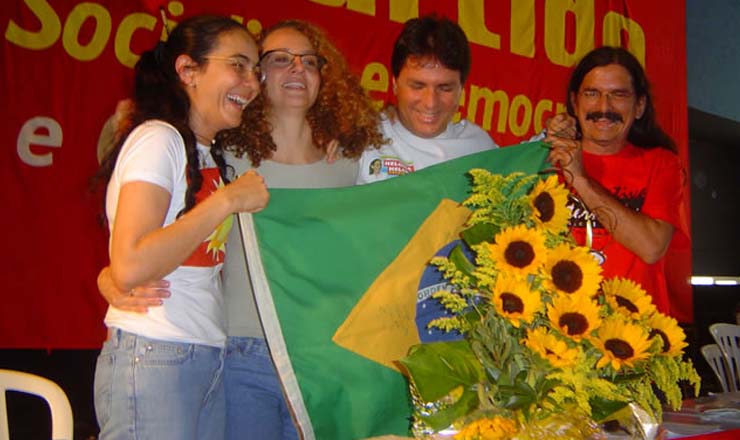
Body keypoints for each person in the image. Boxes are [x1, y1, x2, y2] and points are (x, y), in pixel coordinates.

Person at [97, 19, 384, 440]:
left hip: (309, 356)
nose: (296, 69)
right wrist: (112, 275)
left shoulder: (347, 161)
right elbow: (137, 222)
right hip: (229, 352)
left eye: (309, 61)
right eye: (278, 60)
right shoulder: (222, 155)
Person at [91, 15, 269, 440]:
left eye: (255, 70)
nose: (252, 83)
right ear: (188, 70)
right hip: (156, 352)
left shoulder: (205, 152)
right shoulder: (158, 139)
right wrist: (227, 200)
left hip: (201, 354)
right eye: (238, 65)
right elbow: (131, 265)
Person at [545, 46, 686, 315]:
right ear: (575, 103)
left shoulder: (662, 164)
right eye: (592, 94)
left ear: (640, 106)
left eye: (618, 95)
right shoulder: (546, 162)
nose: (604, 107)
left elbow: (651, 247)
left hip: (634, 340)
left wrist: (581, 180)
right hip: (557, 335)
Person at [355, 14, 497, 184]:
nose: (430, 102)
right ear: (394, 84)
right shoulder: (361, 139)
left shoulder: (480, 148)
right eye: (418, 86)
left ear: (461, 90)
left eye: (445, 88)